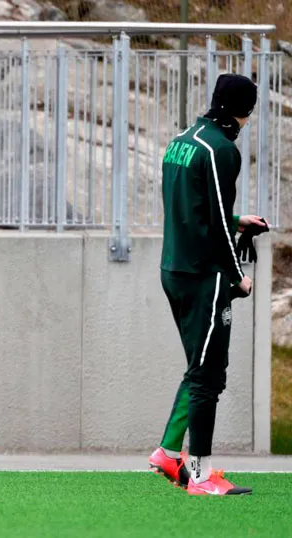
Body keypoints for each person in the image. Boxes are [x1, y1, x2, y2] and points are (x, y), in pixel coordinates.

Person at [150, 73, 269, 496]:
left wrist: (239, 221)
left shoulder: (181, 140)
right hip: (205, 276)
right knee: (208, 377)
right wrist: (238, 276)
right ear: (245, 112)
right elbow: (218, 219)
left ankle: (167, 453)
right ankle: (199, 475)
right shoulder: (222, 150)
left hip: (174, 268)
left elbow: (194, 206)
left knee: (199, 369)